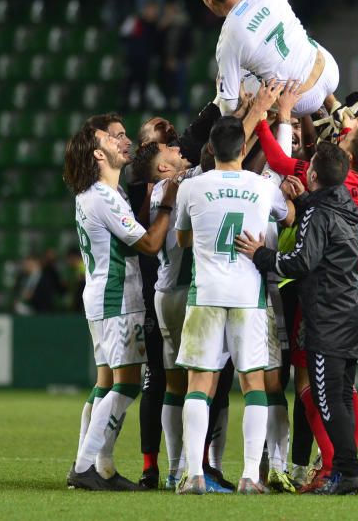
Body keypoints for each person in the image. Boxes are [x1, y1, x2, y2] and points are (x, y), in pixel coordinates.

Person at [235, 142, 358, 496]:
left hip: (328, 318)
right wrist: (305, 201)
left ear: (311, 174)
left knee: (326, 399)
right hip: (355, 311)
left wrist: (260, 254)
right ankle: (347, 470)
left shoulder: (317, 213)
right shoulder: (350, 207)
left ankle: (347, 471)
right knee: (342, 395)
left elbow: (300, 262)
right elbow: (325, 217)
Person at [174, 116, 294, 495]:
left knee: (200, 383)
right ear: (243, 149)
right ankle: (249, 477)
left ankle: (193, 474)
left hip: (206, 293)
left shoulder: (190, 188)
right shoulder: (262, 187)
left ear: (210, 149)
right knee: (253, 383)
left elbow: (182, 240)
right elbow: (288, 216)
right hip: (248, 297)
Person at [62, 114, 177, 491]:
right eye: (114, 139)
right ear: (98, 154)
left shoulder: (96, 194)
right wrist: (167, 205)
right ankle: (85, 466)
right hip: (116, 298)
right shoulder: (105, 197)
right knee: (126, 385)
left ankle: (101, 465)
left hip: (100, 296)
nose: (122, 142)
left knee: (105, 382)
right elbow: (148, 244)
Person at [195, 0, 340, 118]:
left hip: (301, 101)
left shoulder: (227, 39)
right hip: (329, 69)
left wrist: (222, 92)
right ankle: (335, 105)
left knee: (237, 78)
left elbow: (230, 106)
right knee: (297, 37)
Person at [130, 133, 193, 489]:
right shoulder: (181, 187)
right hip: (185, 292)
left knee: (173, 383)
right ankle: (197, 467)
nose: (178, 148)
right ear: (165, 167)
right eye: (171, 149)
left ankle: (172, 470)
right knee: (199, 380)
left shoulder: (156, 192)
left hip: (163, 293)